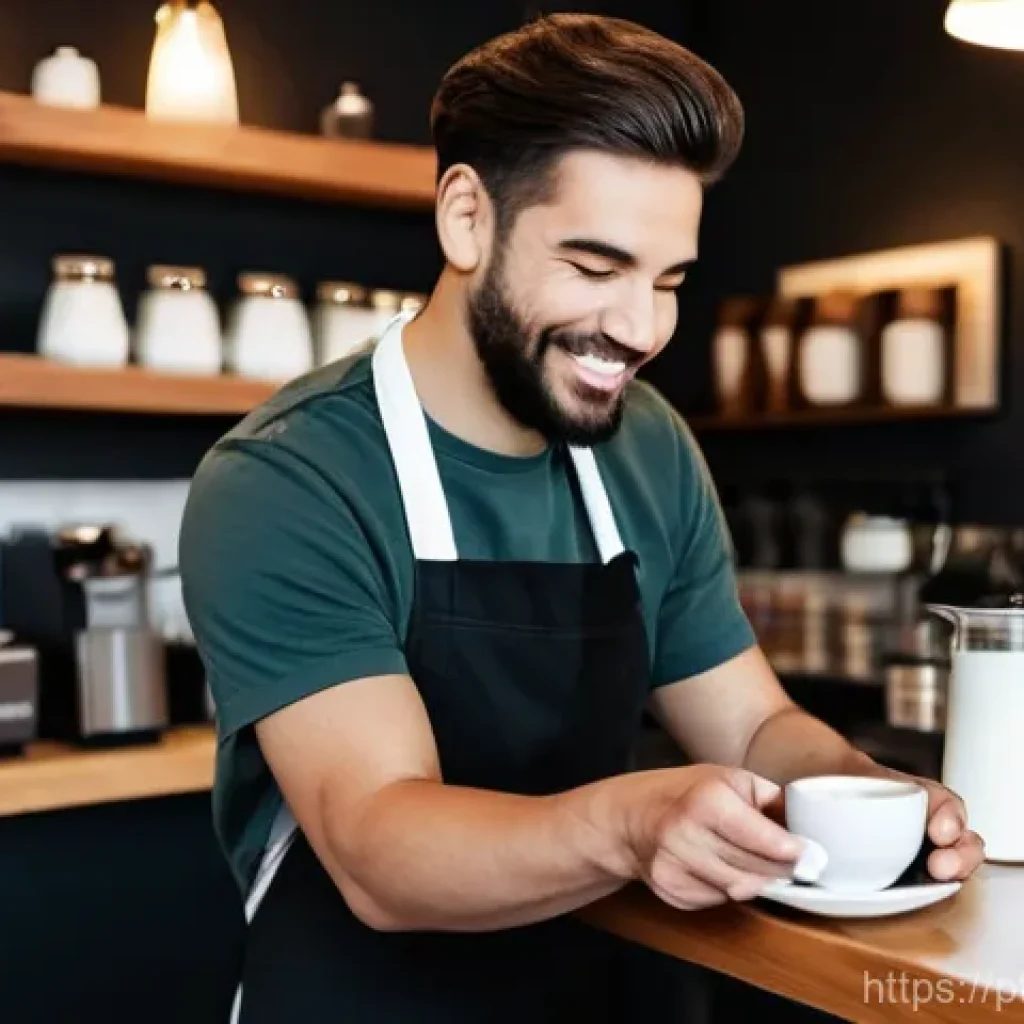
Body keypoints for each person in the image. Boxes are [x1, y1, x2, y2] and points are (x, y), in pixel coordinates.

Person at [179, 13, 984, 1023]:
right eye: (596, 268)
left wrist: (866, 792)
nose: (641, 328)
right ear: (468, 217)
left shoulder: (647, 444)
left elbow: (752, 724)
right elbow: (380, 849)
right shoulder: (290, 477)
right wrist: (628, 822)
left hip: (601, 993)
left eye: (667, 281)